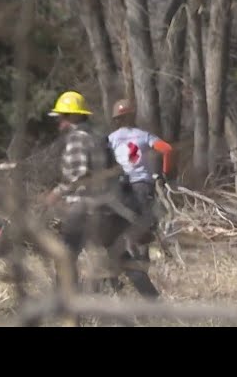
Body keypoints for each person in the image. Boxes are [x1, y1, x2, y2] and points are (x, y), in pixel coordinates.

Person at [43, 91, 160, 299]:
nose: (60, 121)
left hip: (83, 211)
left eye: (64, 116)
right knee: (123, 257)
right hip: (107, 208)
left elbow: (78, 176)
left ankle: (63, 305)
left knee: (65, 257)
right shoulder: (99, 138)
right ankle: (153, 301)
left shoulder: (77, 139)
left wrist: (56, 193)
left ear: (75, 117)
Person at [107, 98, 174, 287]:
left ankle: (114, 279)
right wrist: (164, 174)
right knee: (143, 232)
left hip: (120, 188)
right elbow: (167, 150)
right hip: (142, 186)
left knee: (117, 232)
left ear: (116, 119)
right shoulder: (144, 135)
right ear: (133, 115)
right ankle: (142, 274)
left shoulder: (111, 139)